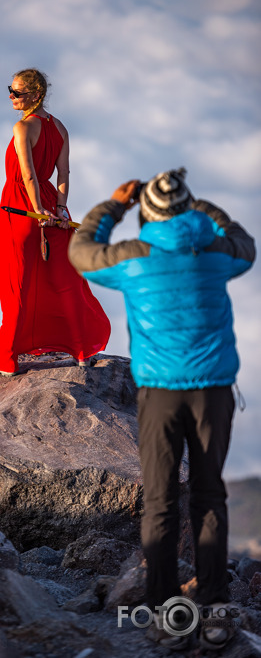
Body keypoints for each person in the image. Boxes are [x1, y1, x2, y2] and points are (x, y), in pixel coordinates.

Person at [68, 168, 255, 651]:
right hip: (213, 391)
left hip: (160, 394)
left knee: (160, 500)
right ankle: (214, 605)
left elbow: (81, 251)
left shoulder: (135, 258)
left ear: (148, 214)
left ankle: (163, 612)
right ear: (189, 211)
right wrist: (204, 211)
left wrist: (113, 206)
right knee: (210, 495)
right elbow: (243, 242)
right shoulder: (214, 253)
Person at [0, 68, 111, 377]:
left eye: (17, 93)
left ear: (35, 95)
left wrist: (38, 211)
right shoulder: (60, 128)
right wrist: (61, 210)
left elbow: (27, 175)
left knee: (17, 285)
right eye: (10, 91)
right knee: (63, 282)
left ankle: (6, 359)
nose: (11, 97)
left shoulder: (23, 128)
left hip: (21, 208)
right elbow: (64, 174)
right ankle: (80, 351)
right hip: (53, 207)